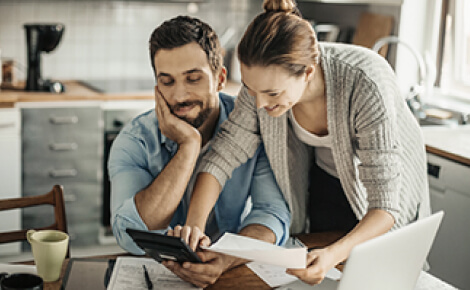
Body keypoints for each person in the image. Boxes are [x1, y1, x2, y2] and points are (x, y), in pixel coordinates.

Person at [182, 0, 431, 285]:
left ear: (309, 73)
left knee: (379, 275)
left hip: (381, 195)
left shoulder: (365, 83)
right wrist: (194, 227)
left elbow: (385, 207)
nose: (260, 104)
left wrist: (331, 254)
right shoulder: (261, 89)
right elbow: (223, 155)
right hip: (325, 181)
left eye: (272, 94)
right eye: (251, 90)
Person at [108, 15, 290, 288]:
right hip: (161, 276)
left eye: (193, 79)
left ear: (220, 79)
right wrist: (188, 146)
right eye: (167, 82)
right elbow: (129, 234)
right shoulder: (135, 141)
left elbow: (271, 215)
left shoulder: (252, 128)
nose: (180, 96)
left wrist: (227, 258)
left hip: (232, 269)